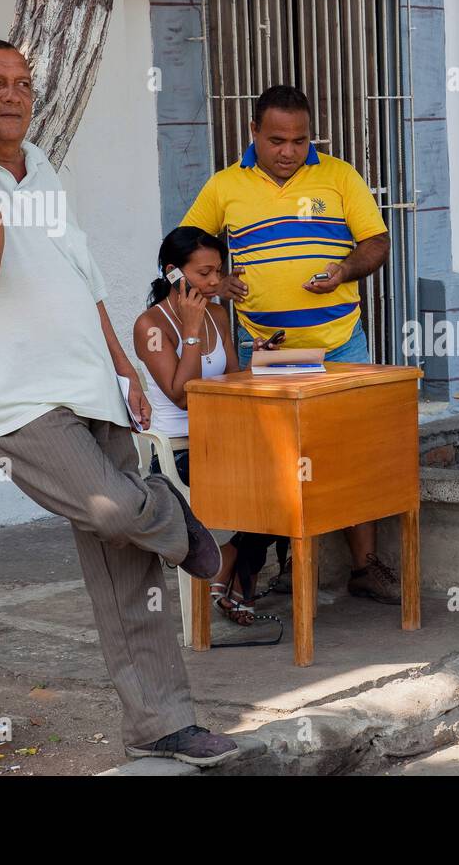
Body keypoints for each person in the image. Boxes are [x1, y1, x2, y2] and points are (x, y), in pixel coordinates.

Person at [0, 38, 239, 766]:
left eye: (22, 83)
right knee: (116, 511)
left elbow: (84, 273)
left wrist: (123, 367)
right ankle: (169, 509)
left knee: (130, 569)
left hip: (91, 381)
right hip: (13, 396)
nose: (13, 96)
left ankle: (163, 722)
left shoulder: (43, 167)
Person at [178, 84, 400, 604]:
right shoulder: (225, 186)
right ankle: (283, 563)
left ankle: (364, 567)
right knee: (274, 463)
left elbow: (377, 242)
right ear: (253, 131)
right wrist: (217, 283)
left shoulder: (339, 176)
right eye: (277, 140)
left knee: (353, 455)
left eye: (300, 141)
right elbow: (185, 250)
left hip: (339, 345)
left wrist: (344, 269)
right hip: (265, 352)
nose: (289, 151)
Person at [132, 226, 288, 622]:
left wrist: (259, 363)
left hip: (222, 440)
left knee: (299, 474)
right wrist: (190, 331)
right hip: (178, 453)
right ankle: (239, 574)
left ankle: (232, 557)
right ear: (173, 273)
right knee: (279, 481)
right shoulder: (150, 326)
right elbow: (183, 395)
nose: (216, 281)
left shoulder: (217, 315)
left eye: (218, 271)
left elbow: (231, 384)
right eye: (204, 273)